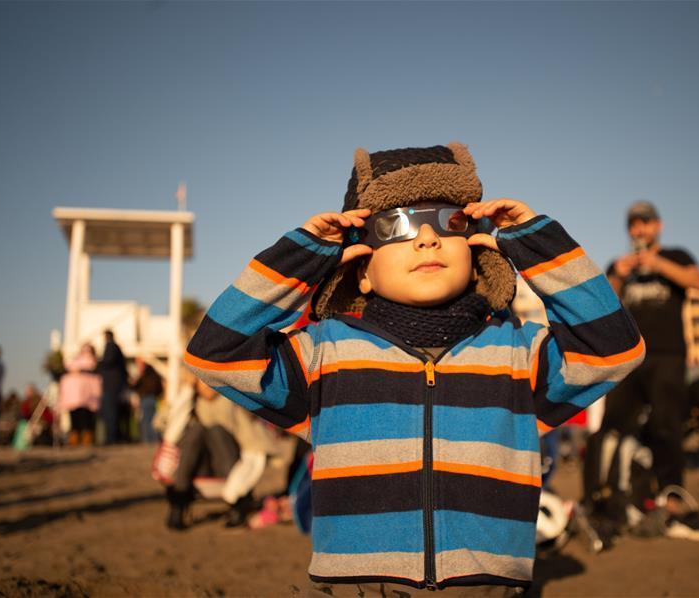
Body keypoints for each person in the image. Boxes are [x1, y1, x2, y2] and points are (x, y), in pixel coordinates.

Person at [185, 143, 644, 593]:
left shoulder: (519, 353)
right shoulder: (325, 354)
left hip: (486, 588)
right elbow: (215, 353)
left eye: (450, 222)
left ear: (477, 248)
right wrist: (303, 256)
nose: (427, 238)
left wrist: (535, 245)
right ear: (360, 268)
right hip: (358, 588)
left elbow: (614, 349)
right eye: (395, 226)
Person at [593, 201, 699, 517]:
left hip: (668, 355)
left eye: (645, 222)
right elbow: (604, 301)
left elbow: (697, 281)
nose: (639, 229)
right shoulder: (619, 265)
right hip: (629, 357)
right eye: (634, 224)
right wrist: (618, 275)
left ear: (658, 226)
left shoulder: (675, 256)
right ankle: (608, 493)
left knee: (666, 425)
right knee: (613, 425)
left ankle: (672, 494)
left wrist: (657, 264)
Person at [156, 373, 277, 530]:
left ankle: (181, 504)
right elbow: (170, 428)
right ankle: (179, 502)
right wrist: (187, 391)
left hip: (227, 461)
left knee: (215, 431)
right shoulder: (191, 399)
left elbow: (252, 439)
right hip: (199, 462)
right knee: (196, 431)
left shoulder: (232, 398)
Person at [59, 343, 102, 446]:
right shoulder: (75, 360)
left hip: (86, 396)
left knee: (86, 418)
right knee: (76, 417)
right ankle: (75, 437)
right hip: (74, 396)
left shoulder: (93, 362)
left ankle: (86, 437)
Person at [97, 330, 127, 444]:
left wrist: (97, 364)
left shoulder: (111, 346)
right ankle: (113, 436)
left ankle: (112, 437)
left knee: (110, 411)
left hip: (111, 384)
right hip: (115, 384)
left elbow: (108, 361)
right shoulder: (116, 347)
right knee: (111, 411)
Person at [131, 356, 163, 443]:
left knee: (147, 421)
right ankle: (152, 440)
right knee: (151, 421)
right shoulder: (152, 373)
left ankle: (149, 440)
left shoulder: (146, 374)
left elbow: (138, 386)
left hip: (147, 399)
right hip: (151, 399)